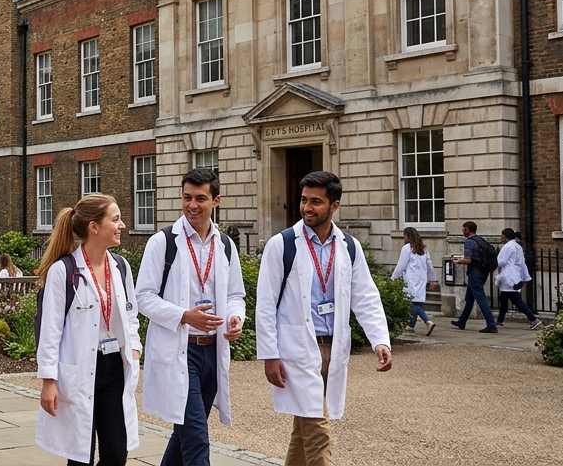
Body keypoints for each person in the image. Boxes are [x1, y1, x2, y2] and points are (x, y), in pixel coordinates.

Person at [256, 171, 392, 466]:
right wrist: (270, 355)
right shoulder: (282, 245)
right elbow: (265, 305)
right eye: (304, 200)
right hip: (297, 349)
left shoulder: (349, 247)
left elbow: (365, 296)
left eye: (316, 201)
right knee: (318, 429)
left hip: (333, 347)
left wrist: (380, 340)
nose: (307, 207)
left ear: (334, 206)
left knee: (303, 429)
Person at [136, 168, 246, 466]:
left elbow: (236, 294)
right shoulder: (163, 242)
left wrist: (236, 319)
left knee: (185, 432)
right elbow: (143, 297)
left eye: (200, 198)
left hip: (212, 350)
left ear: (216, 201)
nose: (192, 205)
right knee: (196, 436)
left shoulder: (224, 245)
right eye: (187, 198)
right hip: (180, 353)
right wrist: (184, 316)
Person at [35, 194, 142, 466]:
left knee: (117, 453)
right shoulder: (64, 270)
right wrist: (49, 381)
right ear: (94, 227)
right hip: (80, 369)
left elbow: (130, 312)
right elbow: (50, 330)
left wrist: (135, 345)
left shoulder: (120, 266)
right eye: (115, 219)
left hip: (114, 367)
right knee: (80, 455)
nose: (122, 225)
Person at [450, 221, 499, 333]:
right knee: (469, 298)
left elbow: (468, 259)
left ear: (468, 229)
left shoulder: (469, 242)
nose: (463, 231)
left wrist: (457, 261)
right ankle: (462, 321)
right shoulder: (480, 240)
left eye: (464, 229)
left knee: (481, 298)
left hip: (474, 273)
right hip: (483, 272)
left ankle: (491, 324)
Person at [392, 227, 435, 336]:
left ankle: (428, 322)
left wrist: (393, 277)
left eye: (404, 235)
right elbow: (429, 265)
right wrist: (432, 279)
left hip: (411, 279)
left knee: (412, 303)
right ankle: (411, 326)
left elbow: (401, 265)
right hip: (421, 279)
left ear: (407, 236)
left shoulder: (407, 248)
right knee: (416, 302)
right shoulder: (423, 249)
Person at [495, 229, 541, 329]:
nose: (501, 238)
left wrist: (495, 263)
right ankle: (499, 320)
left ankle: (534, 319)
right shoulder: (518, 247)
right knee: (503, 300)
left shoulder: (507, 247)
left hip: (508, 277)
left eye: (502, 236)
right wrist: (525, 277)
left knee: (517, 301)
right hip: (515, 277)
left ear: (505, 237)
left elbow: (501, 262)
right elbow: (522, 263)